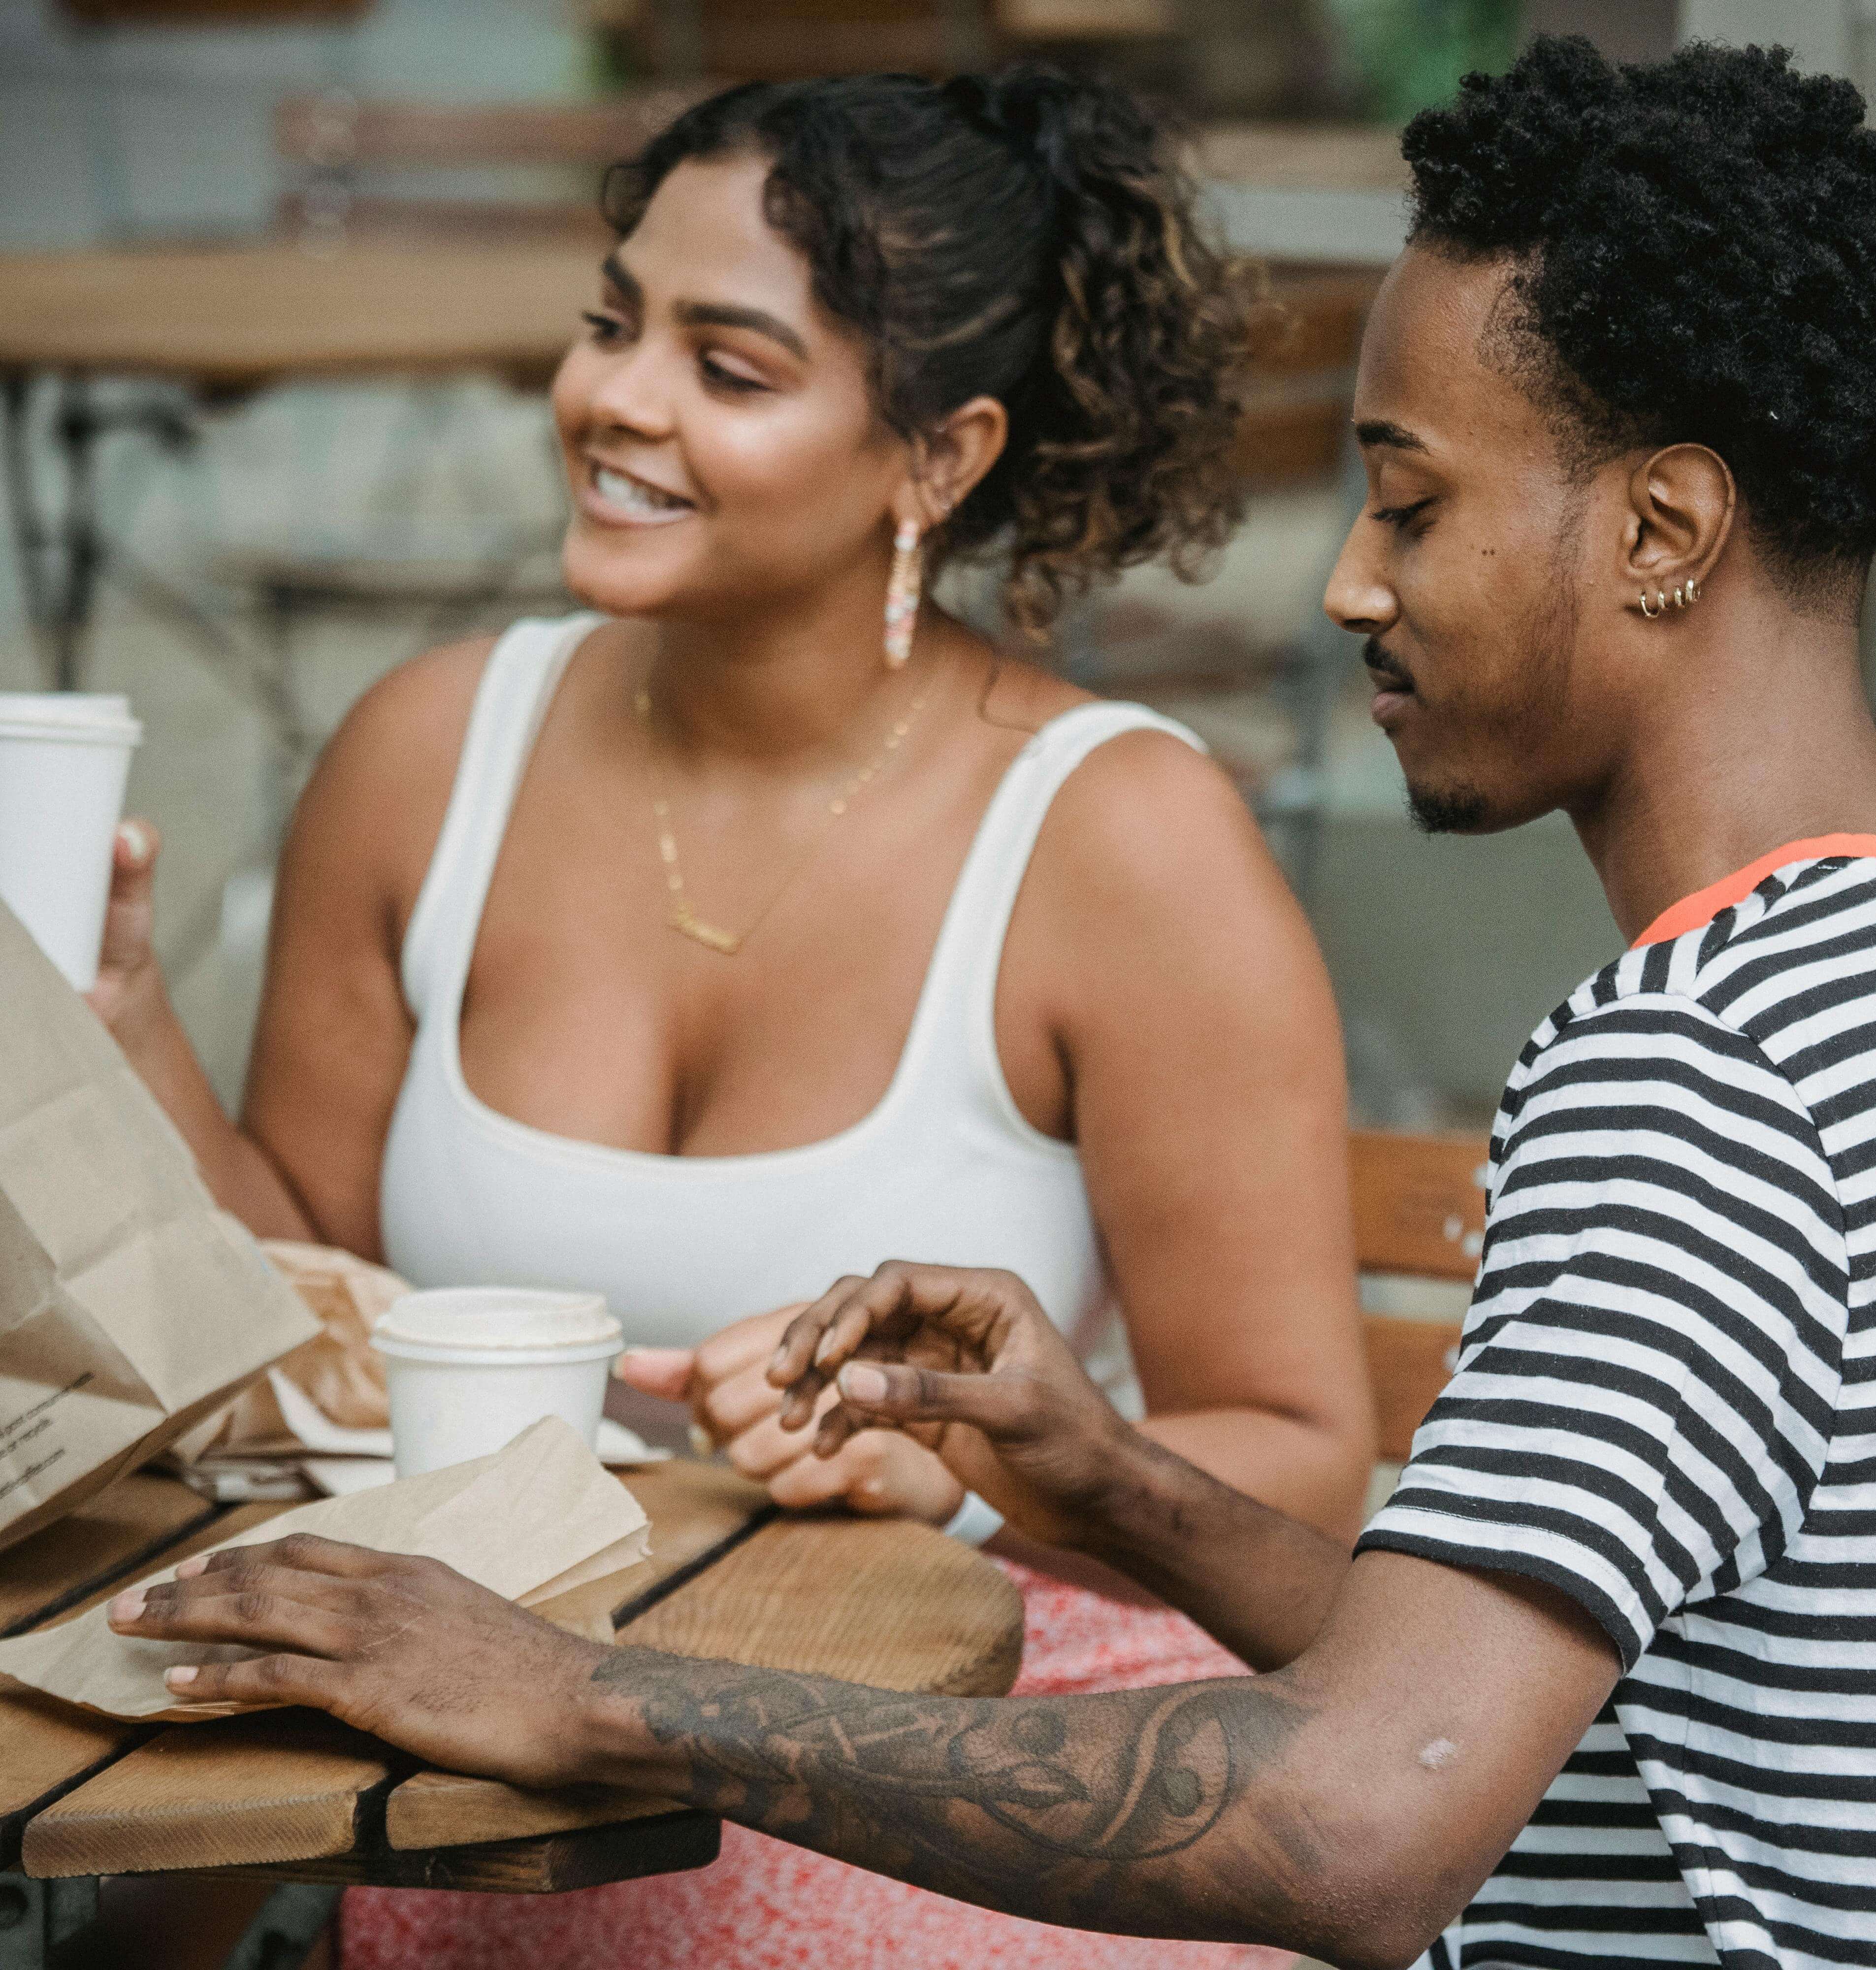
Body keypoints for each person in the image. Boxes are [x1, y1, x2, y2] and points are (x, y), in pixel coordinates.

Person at [115, 38, 1876, 1970]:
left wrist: (578, 1691)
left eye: (1411, 502)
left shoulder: (1704, 1076)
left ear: (1663, 527)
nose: (1350, 584)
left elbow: (1355, 1828)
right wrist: (1098, 1472)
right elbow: (1465, 1677)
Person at [89, 69, 1367, 1970]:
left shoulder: (1121, 844)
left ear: (939, 457)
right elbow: (320, 1321)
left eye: (731, 366)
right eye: (614, 321)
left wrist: (972, 1462)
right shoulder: (432, 754)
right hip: (496, 1742)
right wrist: (121, 1023)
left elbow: (1300, 1454)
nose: (614, 399)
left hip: (971, 1729)